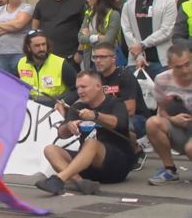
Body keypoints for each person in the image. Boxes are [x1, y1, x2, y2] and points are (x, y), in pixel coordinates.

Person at [36, 70, 135, 195]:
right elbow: (61, 134)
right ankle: (81, 183)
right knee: (50, 149)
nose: (80, 91)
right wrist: (69, 126)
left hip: (116, 164)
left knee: (91, 143)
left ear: (98, 87)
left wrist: (96, 116)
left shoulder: (115, 103)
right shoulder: (77, 107)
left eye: (84, 87)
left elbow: (120, 123)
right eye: (77, 87)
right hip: (87, 165)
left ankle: (59, 179)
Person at [93, 42, 152, 171]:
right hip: (107, 116)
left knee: (122, 125)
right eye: (95, 57)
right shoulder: (95, 78)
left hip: (137, 118)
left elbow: (130, 110)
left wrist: (103, 117)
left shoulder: (125, 76)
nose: (98, 60)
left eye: (103, 57)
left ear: (113, 58)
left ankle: (137, 150)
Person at [145, 44, 192, 185]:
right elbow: (162, 110)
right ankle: (169, 169)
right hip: (180, 127)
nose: (184, 70)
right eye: (178, 67)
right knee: (152, 123)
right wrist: (172, 119)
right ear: (169, 66)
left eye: (187, 64)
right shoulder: (162, 80)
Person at [121, 0, 177, 79]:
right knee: (138, 96)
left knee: (164, 97)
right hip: (136, 62)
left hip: (162, 63)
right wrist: (139, 55)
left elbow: (166, 31)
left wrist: (143, 45)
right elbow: (127, 31)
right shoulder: (128, 5)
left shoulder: (168, 3)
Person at [32, 0, 86, 70]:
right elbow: (34, 27)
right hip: (45, 58)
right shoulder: (43, 1)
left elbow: (85, 31)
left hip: (69, 59)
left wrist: (79, 54)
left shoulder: (80, 3)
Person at [17, 30, 77, 107]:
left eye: (43, 44)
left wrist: (63, 103)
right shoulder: (21, 63)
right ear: (28, 48)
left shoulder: (60, 63)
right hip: (30, 106)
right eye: (37, 46)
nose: (42, 48)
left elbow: (76, 90)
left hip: (54, 107)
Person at [78, 0, 121, 70]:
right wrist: (98, 37)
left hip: (107, 62)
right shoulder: (89, 13)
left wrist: (89, 35)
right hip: (90, 60)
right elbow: (80, 38)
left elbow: (108, 40)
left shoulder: (113, 14)